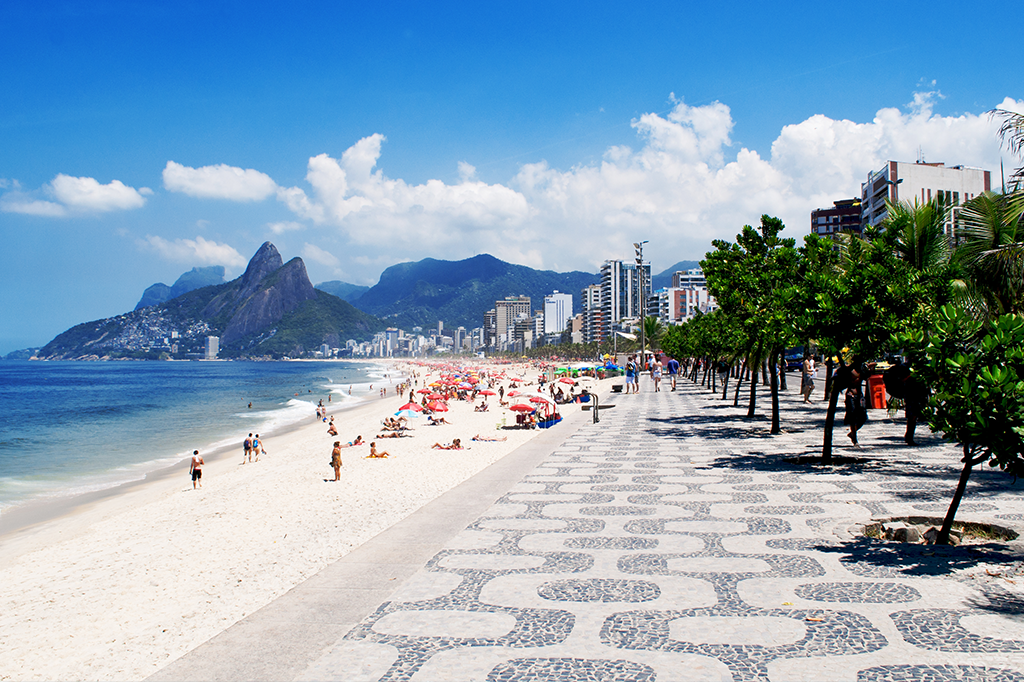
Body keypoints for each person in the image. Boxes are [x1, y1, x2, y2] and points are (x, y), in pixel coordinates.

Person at [843, 366, 867, 446]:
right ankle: (855, 439)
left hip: (859, 395)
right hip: (851, 395)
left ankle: (852, 433)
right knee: (852, 417)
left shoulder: (862, 369)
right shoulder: (850, 370)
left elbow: (867, 376)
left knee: (864, 417)